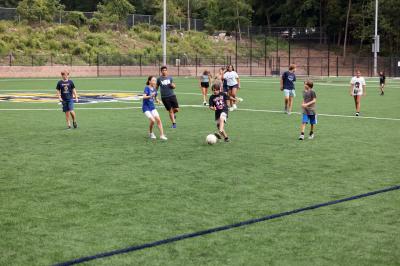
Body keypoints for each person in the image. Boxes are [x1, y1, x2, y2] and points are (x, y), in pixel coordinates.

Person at [142, 76, 167, 140]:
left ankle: (162, 135)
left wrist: (158, 101)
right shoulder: (147, 88)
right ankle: (151, 133)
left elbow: (156, 98)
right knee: (153, 120)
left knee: (158, 119)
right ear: (149, 81)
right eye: (153, 80)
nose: (154, 82)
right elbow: (144, 97)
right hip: (146, 107)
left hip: (152, 107)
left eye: (155, 81)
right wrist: (150, 96)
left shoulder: (155, 89)